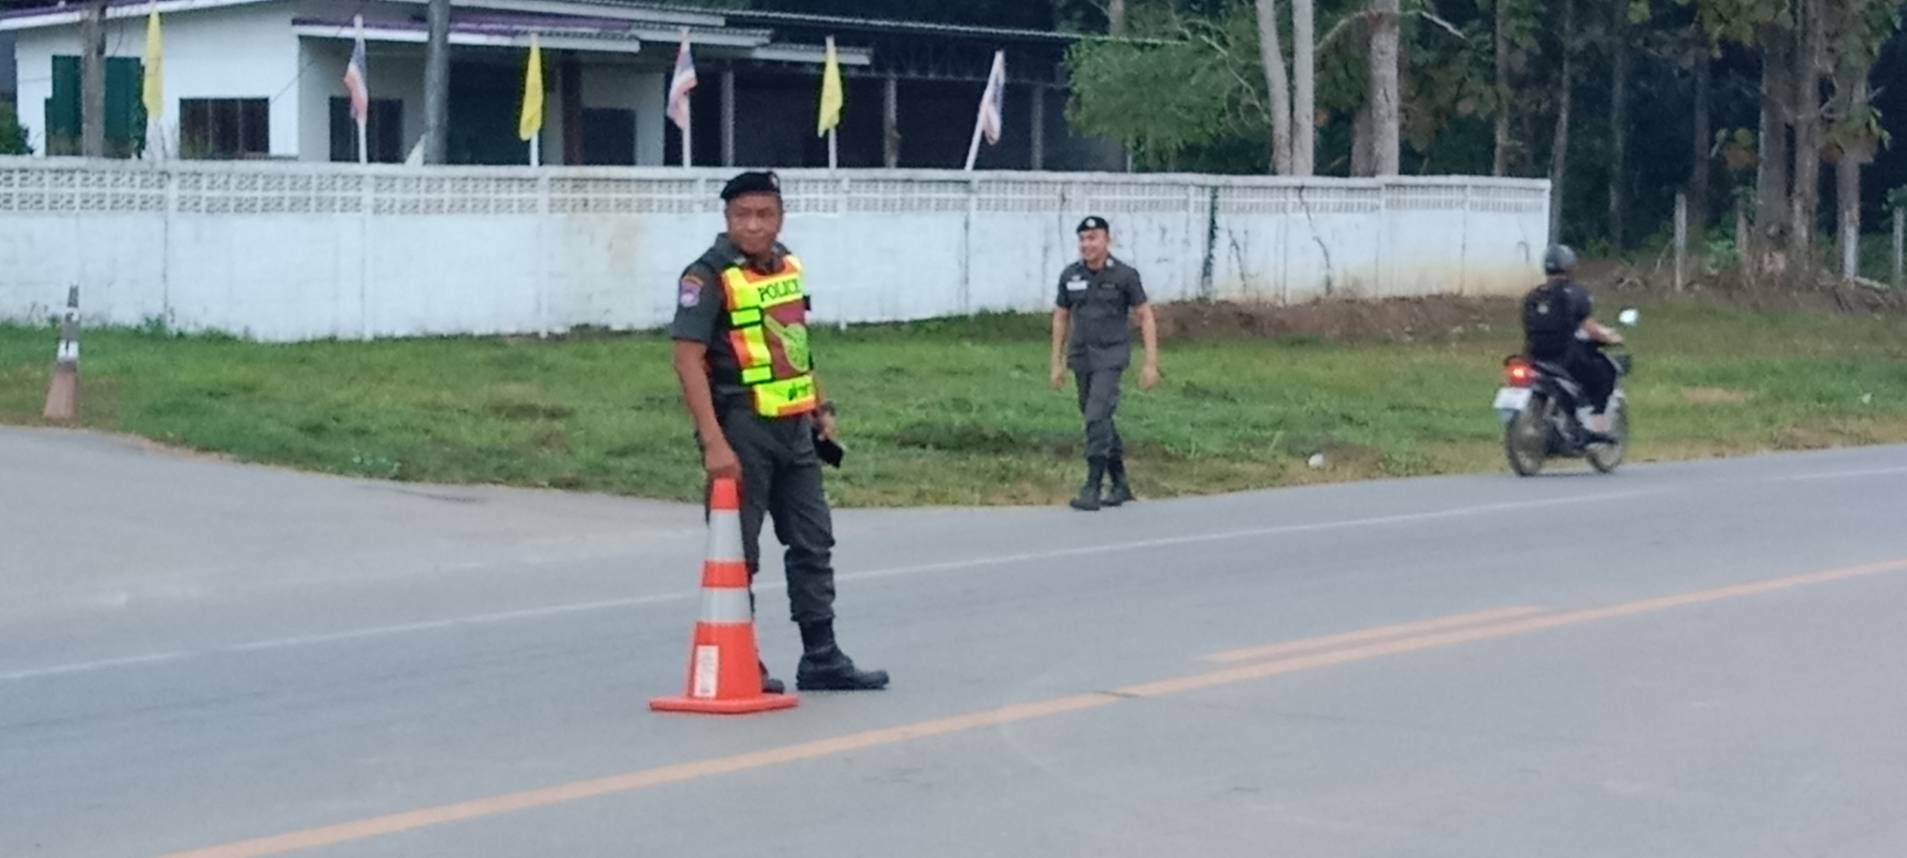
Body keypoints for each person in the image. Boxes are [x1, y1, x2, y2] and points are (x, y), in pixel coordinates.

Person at [669, 170, 888, 693]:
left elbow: (793, 342)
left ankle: (822, 656)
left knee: (813, 542)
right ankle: (744, 659)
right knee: (738, 550)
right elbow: (687, 359)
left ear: (781, 217)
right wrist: (713, 442)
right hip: (740, 426)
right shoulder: (706, 276)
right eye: (743, 215)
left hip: (794, 428)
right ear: (727, 219)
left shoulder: (787, 266)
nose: (754, 225)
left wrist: (818, 404)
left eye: (764, 214)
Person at [1049, 216, 1160, 511]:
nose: (1087, 245)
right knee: (1098, 418)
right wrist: (1056, 362)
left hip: (1111, 357)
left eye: (1093, 238)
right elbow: (1061, 316)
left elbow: (1145, 315)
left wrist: (1150, 363)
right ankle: (1120, 483)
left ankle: (1092, 486)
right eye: (1082, 239)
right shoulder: (1070, 275)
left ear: (1107, 240)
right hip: (1081, 357)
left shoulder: (1124, 275)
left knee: (1096, 416)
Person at [1521, 243, 1622, 442]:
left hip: (1534, 356)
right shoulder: (1575, 293)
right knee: (1605, 372)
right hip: (1565, 357)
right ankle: (1596, 424)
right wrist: (1611, 337)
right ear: (1569, 265)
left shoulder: (1533, 296)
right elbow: (1589, 327)